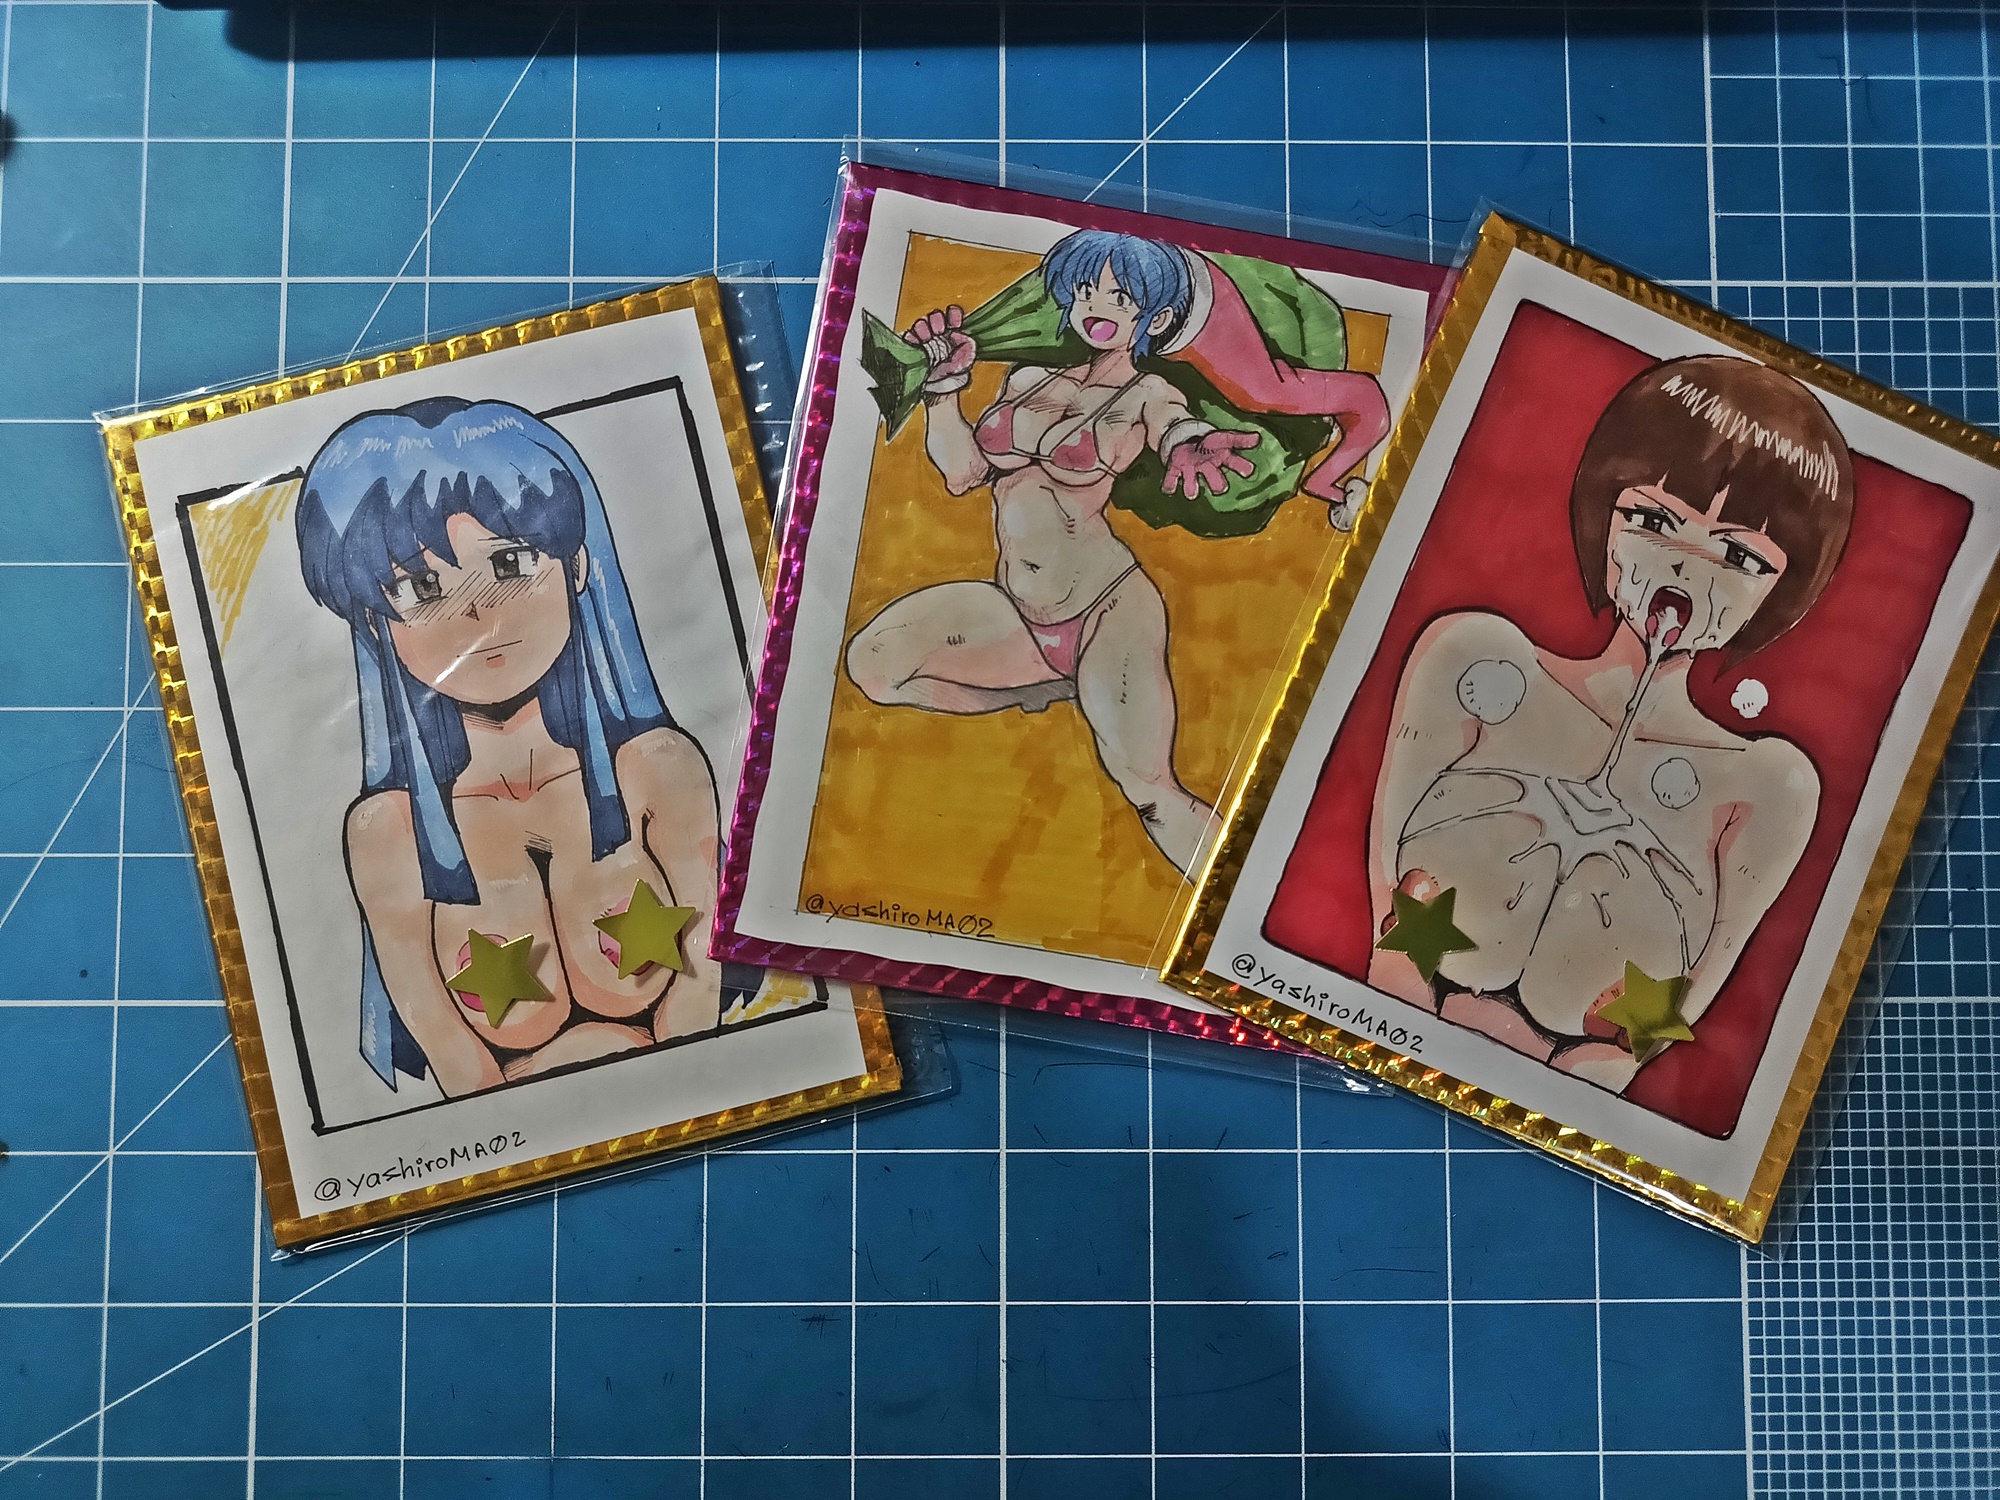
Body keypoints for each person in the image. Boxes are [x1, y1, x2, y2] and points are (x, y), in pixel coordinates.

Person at [1368, 355, 1854, 1092]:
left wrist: (1603, 1071)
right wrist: (1394, 996)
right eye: (1655, 521)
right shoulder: (1474, 657)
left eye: (1737, 554)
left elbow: (1702, 976)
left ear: (1782, 595)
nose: (1686, 566)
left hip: (1576, 1076)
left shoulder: (1767, 785)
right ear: (1603, 517)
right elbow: (1389, 879)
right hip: (1395, 1015)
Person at [297, 397, 722, 1098]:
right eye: (421, 586)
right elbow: (459, 1076)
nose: (476, 616)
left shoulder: (659, 769)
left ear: (575, 564)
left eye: (510, 562)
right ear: (375, 624)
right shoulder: (388, 835)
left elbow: (704, 1013)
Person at [846, 231, 1262, 871]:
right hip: (1016, 611)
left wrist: (1188, 443)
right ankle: (1045, 687)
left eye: (1121, 297)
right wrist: (944, 393)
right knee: (873, 665)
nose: (1099, 307)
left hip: (1106, 610)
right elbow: (961, 473)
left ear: (1157, 319)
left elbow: (1174, 424)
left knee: (1149, 791)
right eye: (1088, 290)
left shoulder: (1147, 393)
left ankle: (1244, 895)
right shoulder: (1028, 376)